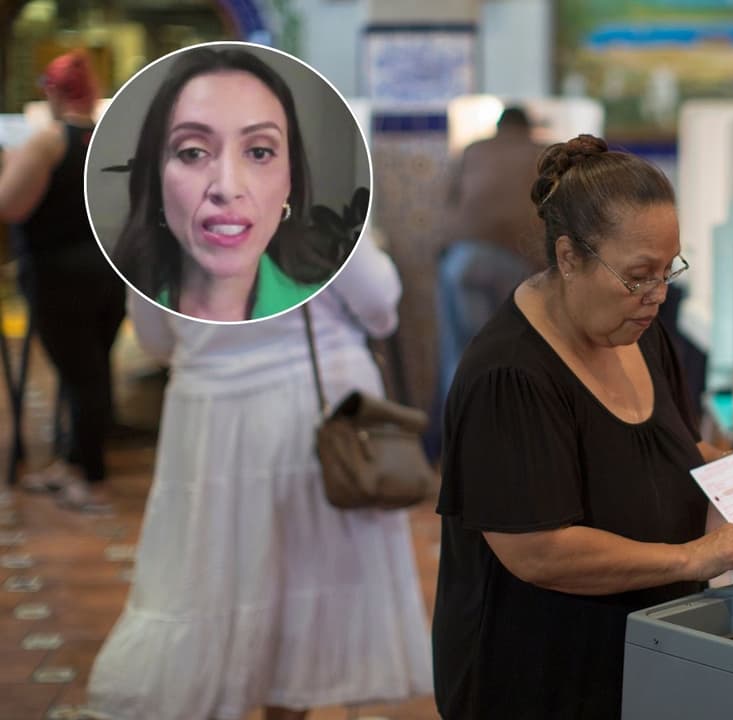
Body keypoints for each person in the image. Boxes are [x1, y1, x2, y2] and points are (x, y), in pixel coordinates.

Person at [433, 134, 733, 719]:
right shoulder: (510, 376)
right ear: (569, 257)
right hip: (540, 677)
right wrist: (691, 557)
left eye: (668, 271)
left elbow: (666, 448)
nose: (656, 296)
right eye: (637, 276)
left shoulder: (639, 331)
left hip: (642, 658)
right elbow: (539, 551)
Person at [86, 236, 433, 718]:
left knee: (213, 574)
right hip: (312, 404)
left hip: (208, 415)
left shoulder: (159, 226)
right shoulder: (319, 216)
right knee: (307, 575)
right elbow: (378, 303)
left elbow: (155, 340)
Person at [111, 46, 348, 322]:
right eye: (193, 152)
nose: (227, 188)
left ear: (290, 180)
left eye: (259, 152)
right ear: (157, 178)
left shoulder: (327, 297)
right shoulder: (130, 299)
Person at [0, 50, 125, 512]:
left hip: (59, 276)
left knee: (81, 377)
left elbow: (10, 205)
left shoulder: (48, 142)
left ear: (53, 92)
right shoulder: (111, 141)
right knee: (93, 372)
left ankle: (92, 480)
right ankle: (74, 464)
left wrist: (12, 162)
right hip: (111, 274)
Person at [428, 106, 545, 458]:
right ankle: (511, 447)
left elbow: (449, 204)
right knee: (515, 354)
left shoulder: (473, 150)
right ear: (528, 128)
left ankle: (459, 449)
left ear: (498, 127)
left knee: (461, 355)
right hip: (518, 263)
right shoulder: (543, 153)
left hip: (463, 259)